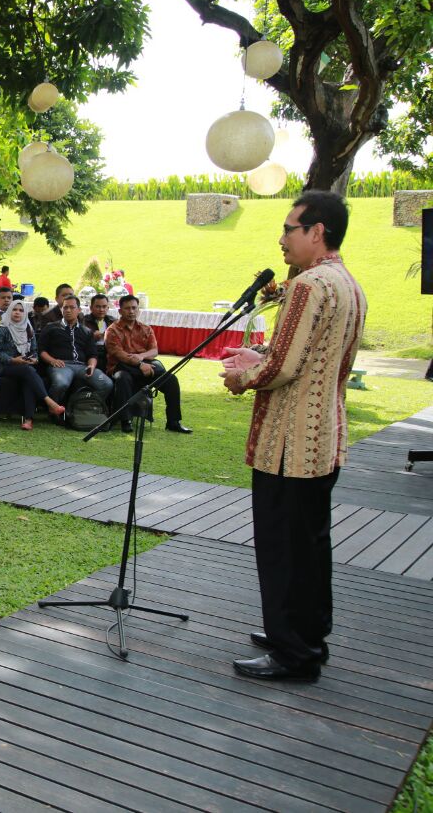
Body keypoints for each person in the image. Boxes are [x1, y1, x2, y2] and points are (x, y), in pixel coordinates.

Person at [221, 191, 366, 683]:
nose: (282, 239)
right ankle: (306, 634)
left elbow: (283, 366)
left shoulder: (309, 286)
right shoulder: (349, 284)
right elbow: (319, 365)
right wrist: (260, 362)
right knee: (310, 545)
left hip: (288, 443)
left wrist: (243, 375)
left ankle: (293, 653)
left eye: (289, 229)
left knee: (283, 547)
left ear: (317, 231)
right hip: (324, 435)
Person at [105, 295, 190, 435]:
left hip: (145, 367)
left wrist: (141, 357)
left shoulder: (146, 329)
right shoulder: (112, 330)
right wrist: (139, 364)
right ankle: (125, 420)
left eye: (134, 308)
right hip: (122, 366)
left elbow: (154, 351)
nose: (131, 311)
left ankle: (173, 422)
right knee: (122, 377)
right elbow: (120, 355)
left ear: (138, 310)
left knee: (171, 380)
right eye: (127, 308)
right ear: (120, 311)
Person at [0, 299, 64, 429]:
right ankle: (49, 402)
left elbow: (34, 351)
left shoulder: (28, 330)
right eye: (14, 309)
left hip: (23, 367)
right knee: (28, 372)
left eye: (21, 310)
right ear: (9, 311)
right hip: (4, 367)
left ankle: (28, 420)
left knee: (28, 378)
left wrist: (34, 359)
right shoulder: (2, 330)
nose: (17, 313)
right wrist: (13, 360)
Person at [39, 296, 113, 410]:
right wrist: (52, 361)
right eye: (65, 308)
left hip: (82, 367)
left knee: (106, 384)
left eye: (72, 307)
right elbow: (41, 350)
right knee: (61, 383)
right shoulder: (51, 328)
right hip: (61, 365)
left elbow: (92, 354)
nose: (68, 310)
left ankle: (85, 408)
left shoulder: (86, 331)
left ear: (79, 310)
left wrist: (91, 366)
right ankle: (54, 410)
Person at [82, 293, 116, 372]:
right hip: (91, 352)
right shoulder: (84, 321)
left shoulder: (113, 322)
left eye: (104, 307)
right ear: (91, 308)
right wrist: (91, 337)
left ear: (108, 308)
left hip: (109, 351)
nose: (101, 310)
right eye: (98, 307)